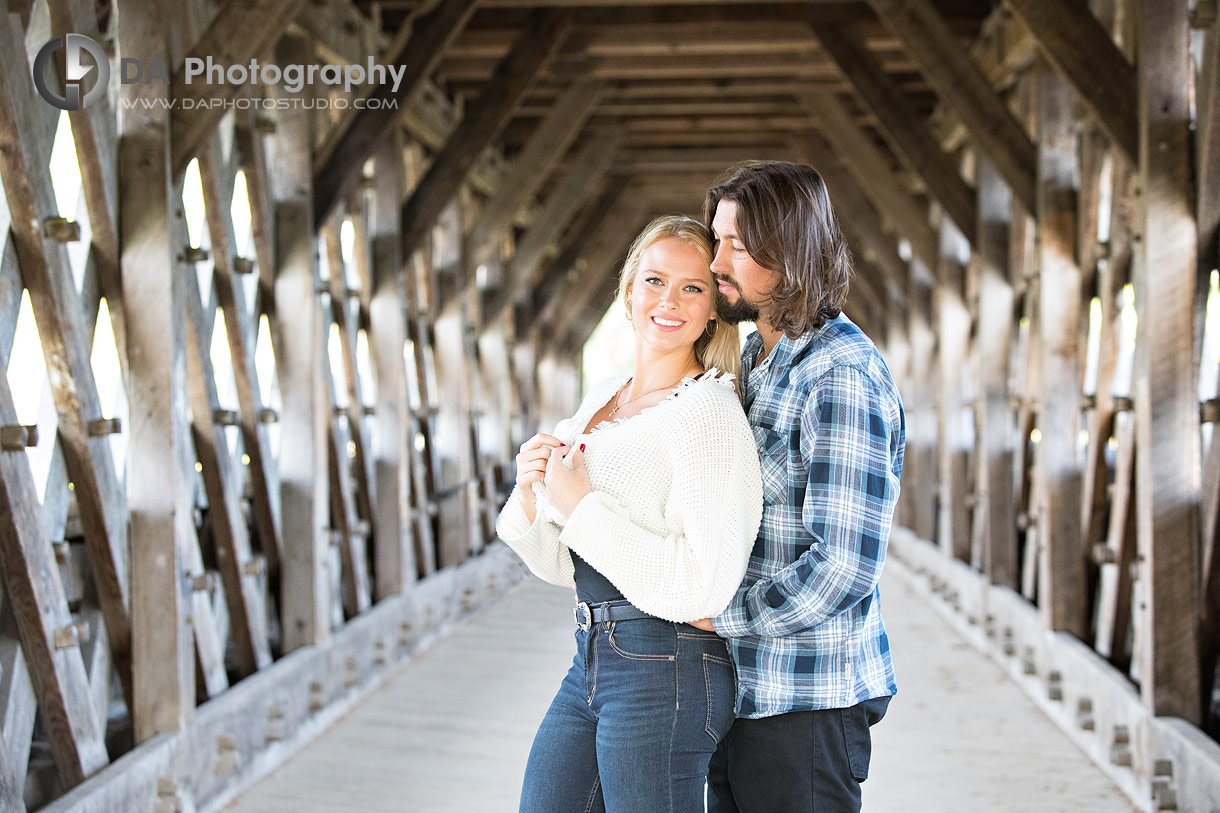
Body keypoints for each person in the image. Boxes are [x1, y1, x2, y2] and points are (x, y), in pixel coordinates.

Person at [495, 214, 763, 813]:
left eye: (692, 288)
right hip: (593, 647)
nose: (669, 301)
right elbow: (563, 565)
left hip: (667, 665)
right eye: (654, 280)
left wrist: (581, 504)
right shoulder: (604, 399)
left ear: (714, 308)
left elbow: (705, 583)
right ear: (627, 291)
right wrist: (535, 489)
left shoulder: (708, 413)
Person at [700, 161, 906, 813]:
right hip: (746, 694)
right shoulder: (758, 360)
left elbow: (843, 566)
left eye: (736, 243)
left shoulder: (838, 375)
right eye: (716, 240)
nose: (715, 262)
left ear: (789, 250)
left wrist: (721, 617)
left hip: (805, 705)